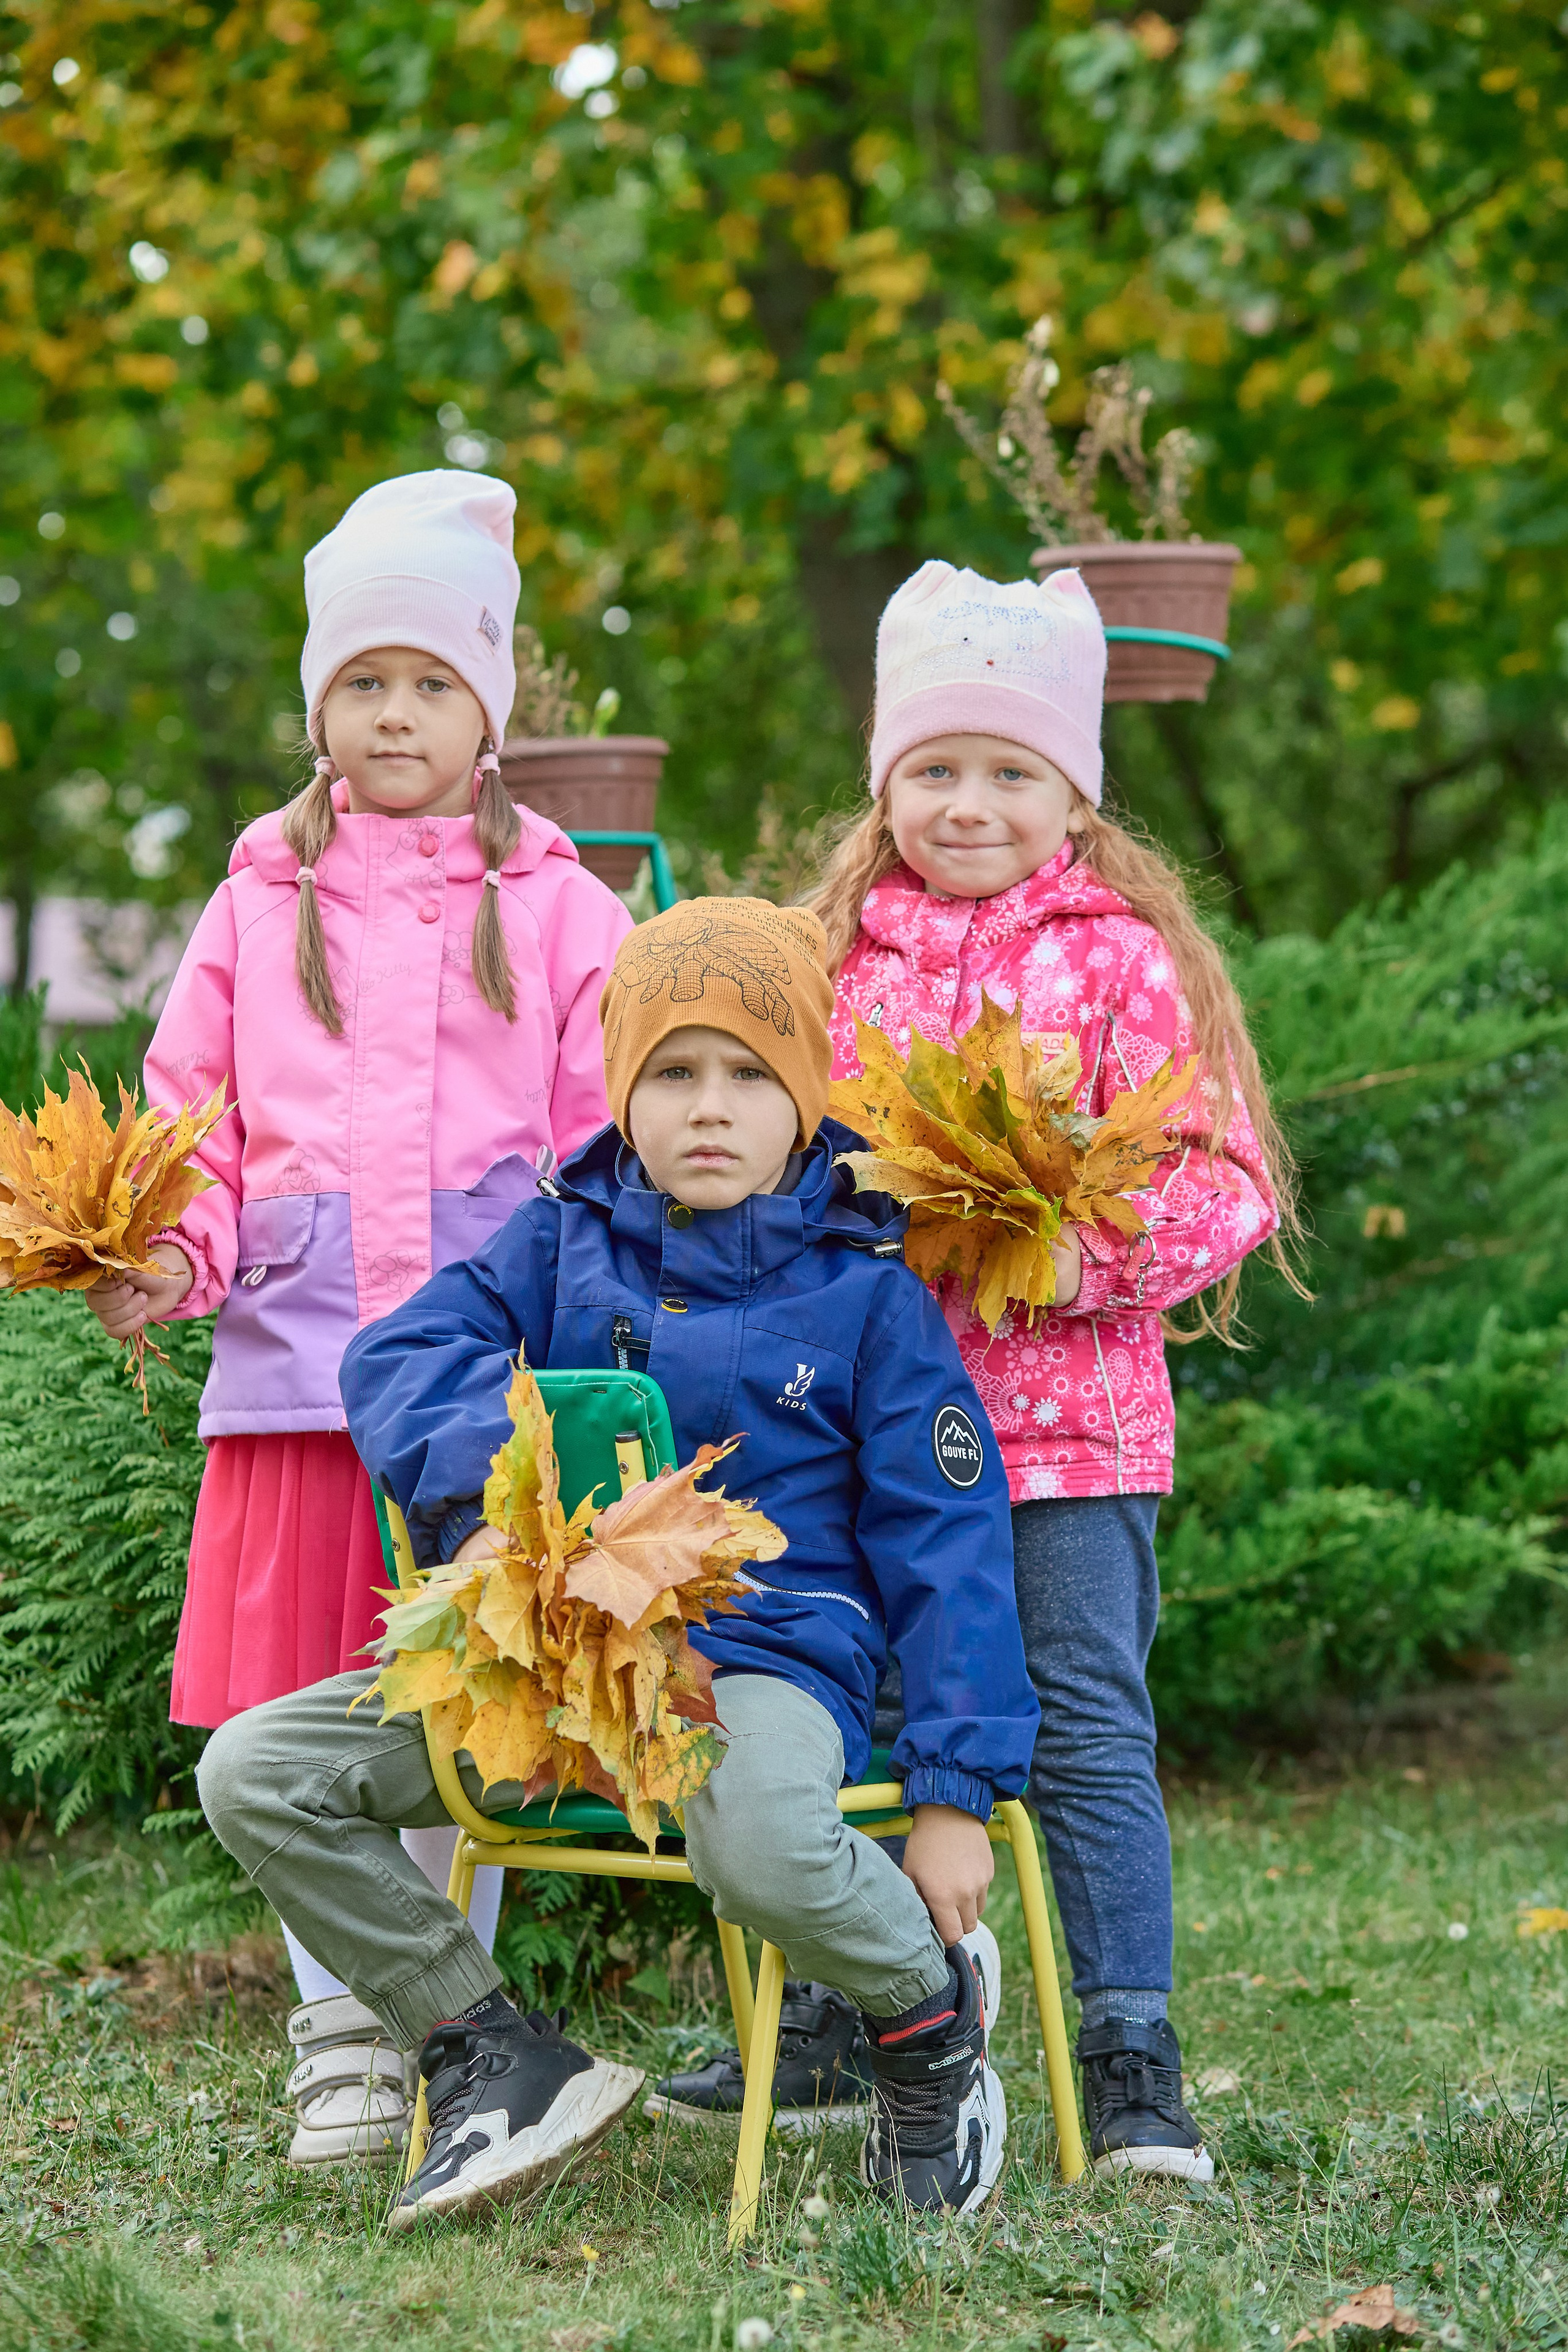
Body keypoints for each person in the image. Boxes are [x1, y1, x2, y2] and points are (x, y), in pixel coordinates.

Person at [195, 897, 1040, 2229]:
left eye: (750, 1075)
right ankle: (490, 2049)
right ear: (621, 1091)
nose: (709, 1108)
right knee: (259, 1772)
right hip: (553, 1654)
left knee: (758, 1847)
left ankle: (925, 2023)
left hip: (752, 1661)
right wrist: (488, 1493)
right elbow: (395, 1357)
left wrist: (950, 1791)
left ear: (807, 1099)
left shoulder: (870, 1291)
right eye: (671, 1072)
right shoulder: (561, 1237)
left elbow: (948, 1550)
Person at [661, 561, 1294, 2181]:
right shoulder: (825, 965)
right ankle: (830, 2026)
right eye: (935, 769)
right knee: (847, 1712)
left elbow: (1227, 1181)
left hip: (1066, 1439)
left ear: (1072, 795)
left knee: (1081, 1730)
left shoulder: (1120, 962)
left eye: (1011, 772)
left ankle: (1130, 2053)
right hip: (856, 1445)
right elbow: (758, 1156)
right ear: (884, 784)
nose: (968, 802)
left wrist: (1093, 1252)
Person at [83, 471, 630, 2165]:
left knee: (448, 1710)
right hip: (300, 1386)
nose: (397, 715)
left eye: (433, 684)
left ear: (496, 703)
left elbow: (603, 1147)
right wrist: (170, 1252)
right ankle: (348, 2034)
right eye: (364, 682)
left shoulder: (558, 908)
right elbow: (198, 1128)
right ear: (320, 699)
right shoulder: (254, 904)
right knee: (310, 1706)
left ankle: (441, 2021)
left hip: (482, 1405)